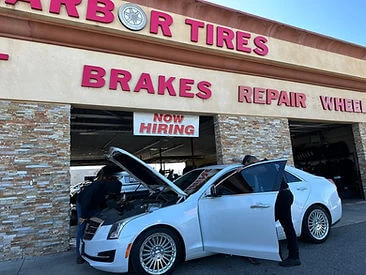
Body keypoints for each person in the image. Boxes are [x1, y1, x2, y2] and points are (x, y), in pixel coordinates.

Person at [75, 175, 122, 264]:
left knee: (95, 225)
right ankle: (79, 255)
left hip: (94, 205)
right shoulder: (96, 187)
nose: (111, 194)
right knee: (82, 228)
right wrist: (83, 216)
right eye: (112, 193)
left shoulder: (109, 188)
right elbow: (86, 201)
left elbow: (105, 201)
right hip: (82, 204)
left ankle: (92, 248)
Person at [275, 179, 301, 267]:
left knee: (287, 226)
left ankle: (294, 257)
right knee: (287, 226)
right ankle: (292, 256)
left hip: (282, 196)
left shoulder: (264, 166)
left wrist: (246, 166)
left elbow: (261, 169)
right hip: (283, 195)